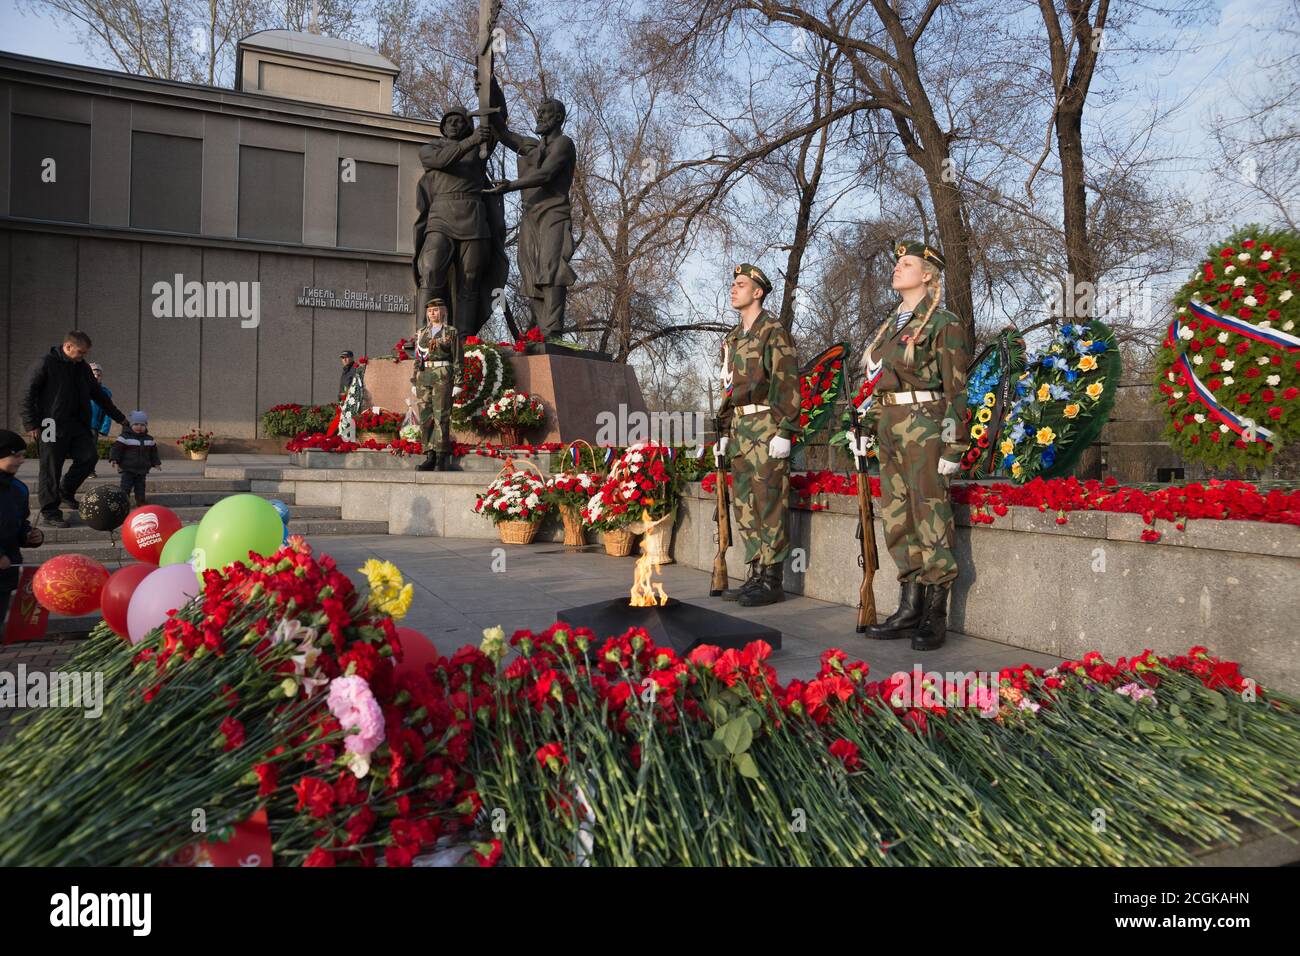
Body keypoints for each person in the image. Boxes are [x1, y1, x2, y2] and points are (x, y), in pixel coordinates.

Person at [858, 240, 972, 651]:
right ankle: (909, 605)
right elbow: (880, 384)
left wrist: (953, 445)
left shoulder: (944, 323)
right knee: (896, 516)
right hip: (889, 426)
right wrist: (867, 425)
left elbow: (957, 388)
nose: (897, 268)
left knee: (930, 514)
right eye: (897, 263)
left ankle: (934, 612)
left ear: (927, 274)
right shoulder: (891, 324)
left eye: (906, 264)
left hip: (924, 426)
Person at [713, 264, 800, 607]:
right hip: (739, 427)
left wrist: (786, 430)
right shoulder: (734, 338)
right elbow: (728, 389)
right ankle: (756, 573)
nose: (733, 289)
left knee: (770, 501)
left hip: (767, 423)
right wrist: (722, 429)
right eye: (733, 284)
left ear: (758, 292)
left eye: (741, 284)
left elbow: (787, 383)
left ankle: (772, 579)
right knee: (746, 503)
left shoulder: (773, 331)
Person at [487, 92, 578, 344]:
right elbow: (504, 134)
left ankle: (553, 330)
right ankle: (540, 330)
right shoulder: (533, 146)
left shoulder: (564, 144)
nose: (539, 116)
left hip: (553, 214)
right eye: (538, 112)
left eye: (545, 113)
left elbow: (547, 174)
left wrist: (511, 185)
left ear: (558, 118)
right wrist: (490, 87)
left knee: (551, 269)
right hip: (531, 217)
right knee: (530, 271)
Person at [413, 107, 509, 336]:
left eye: (460, 121)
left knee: (470, 280)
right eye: (450, 121)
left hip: (474, 219)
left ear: (468, 125)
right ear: (443, 127)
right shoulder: (430, 149)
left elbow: (499, 117)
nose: (455, 125)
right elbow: (440, 160)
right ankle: (426, 335)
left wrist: (488, 84)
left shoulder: (481, 147)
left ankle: (465, 338)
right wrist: (470, 141)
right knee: (431, 271)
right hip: (440, 217)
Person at [22, 330, 128, 529]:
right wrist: (30, 423)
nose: (83, 357)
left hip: (77, 424)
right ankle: (50, 512)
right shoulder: (45, 363)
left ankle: (65, 491)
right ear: (68, 346)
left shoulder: (82, 368)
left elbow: (99, 395)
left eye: (85, 353)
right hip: (49, 423)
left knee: (89, 457)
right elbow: (27, 393)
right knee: (51, 468)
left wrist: (120, 417)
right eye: (80, 352)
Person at [412, 299, 463, 472]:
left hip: (443, 374)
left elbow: (458, 358)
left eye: (435, 310)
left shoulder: (451, 332)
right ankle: (429, 455)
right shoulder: (422, 333)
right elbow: (418, 358)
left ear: (443, 311)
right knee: (425, 417)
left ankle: (441, 456)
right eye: (430, 311)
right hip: (424, 376)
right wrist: (414, 380)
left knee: (441, 416)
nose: (432, 313)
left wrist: (459, 382)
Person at [0, 429, 44, 628]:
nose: (21, 460)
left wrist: (29, 535)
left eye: (23, 456)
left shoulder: (19, 489)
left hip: (7, 569)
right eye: (16, 455)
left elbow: (20, 523)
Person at [109, 411, 162, 507]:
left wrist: (156, 463)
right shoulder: (124, 437)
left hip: (142, 469)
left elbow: (153, 452)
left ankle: (141, 501)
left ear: (146, 426)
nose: (139, 427)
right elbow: (116, 449)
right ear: (131, 425)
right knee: (125, 486)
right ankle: (123, 502)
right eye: (136, 424)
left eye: (142, 425)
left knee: (140, 487)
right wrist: (114, 459)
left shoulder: (149, 439)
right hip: (127, 468)